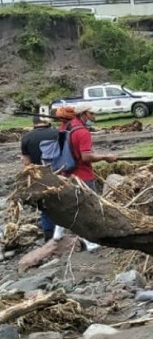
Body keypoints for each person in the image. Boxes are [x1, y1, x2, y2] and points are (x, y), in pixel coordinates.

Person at [53, 104, 118, 251]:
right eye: (92, 114)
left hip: (67, 172)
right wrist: (105, 157)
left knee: (71, 204)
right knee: (87, 208)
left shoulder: (65, 127)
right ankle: (89, 241)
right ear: (84, 114)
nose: (94, 117)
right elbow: (86, 156)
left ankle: (58, 232)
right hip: (82, 174)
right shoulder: (82, 132)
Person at [20, 115, 59, 241]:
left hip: (39, 176)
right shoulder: (57, 133)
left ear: (34, 123)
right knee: (63, 204)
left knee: (45, 208)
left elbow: (27, 163)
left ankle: (49, 236)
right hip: (59, 173)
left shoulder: (26, 138)